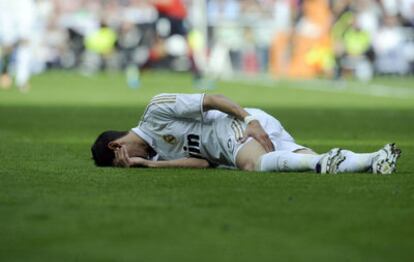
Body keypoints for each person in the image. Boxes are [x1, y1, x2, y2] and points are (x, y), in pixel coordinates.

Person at [91, 93, 401, 174]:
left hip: (236, 128)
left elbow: (211, 100)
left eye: (123, 158)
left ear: (118, 145)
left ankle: (321, 164)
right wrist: (148, 165)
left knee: (252, 166)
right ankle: (374, 159)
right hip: (234, 144)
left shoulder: (155, 110)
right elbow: (203, 164)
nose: (129, 162)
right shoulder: (157, 155)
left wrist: (249, 119)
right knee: (305, 158)